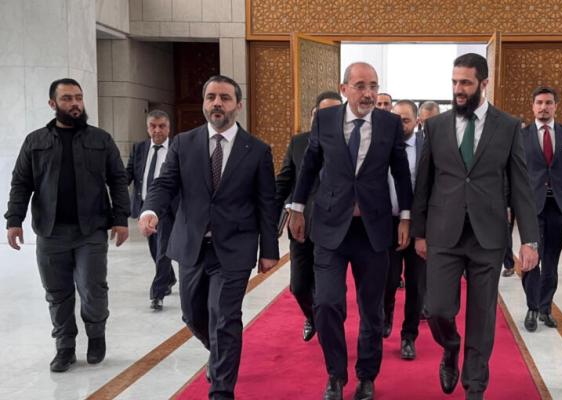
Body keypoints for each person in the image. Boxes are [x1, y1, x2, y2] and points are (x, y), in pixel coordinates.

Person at [138, 75, 279, 400]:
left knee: (225, 316)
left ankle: (221, 390)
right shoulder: (183, 143)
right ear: (204, 103)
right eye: (211, 97)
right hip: (192, 245)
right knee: (193, 314)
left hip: (234, 248)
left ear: (238, 105)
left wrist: (269, 250)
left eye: (225, 98)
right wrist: (151, 210)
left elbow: (266, 203)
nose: (217, 103)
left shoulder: (257, 150)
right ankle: (219, 353)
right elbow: (165, 184)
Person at [411, 53, 539, 400]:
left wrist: (529, 240)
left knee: (482, 317)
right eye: (454, 82)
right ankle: (450, 346)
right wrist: (419, 232)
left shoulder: (508, 126)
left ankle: (475, 386)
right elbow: (424, 183)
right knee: (438, 309)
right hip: (444, 233)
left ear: (484, 83)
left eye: (465, 83)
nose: (458, 89)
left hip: (488, 236)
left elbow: (522, 186)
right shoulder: (436, 127)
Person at [289, 62, 412, 400]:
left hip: (373, 231)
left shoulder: (389, 124)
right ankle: (336, 374)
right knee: (327, 304)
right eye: (360, 86)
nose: (368, 93)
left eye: (373, 86)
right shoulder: (325, 119)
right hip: (330, 227)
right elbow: (310, 165)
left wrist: (405, 217)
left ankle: (367, 376)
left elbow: (401, 172)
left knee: (372, 310)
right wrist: (296, 208)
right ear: (344, 89)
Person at [5, 78, 130, 372]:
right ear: (53, 104)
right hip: (50, 232)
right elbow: (21, 183)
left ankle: (96, 337)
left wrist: (121, 218)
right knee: (57, 292)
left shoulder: (101, 139)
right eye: (67, 99)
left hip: (91, 230)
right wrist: (14, 220)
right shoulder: (35, 141)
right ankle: (65, 347)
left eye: (78, 98)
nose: (75, 104)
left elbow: (118, 179)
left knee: (92, 288)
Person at [275, 91, 343, 341]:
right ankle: (313, 317)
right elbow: (284, 180)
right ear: (314, 115)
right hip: (301, 226)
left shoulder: (351, 143)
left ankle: (330, 327)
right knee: (299, 286)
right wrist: (271, 214)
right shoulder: (299, 142)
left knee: (331, 291)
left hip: (337, 228)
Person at [520, 86, 562, 332]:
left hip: (559, 207)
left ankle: (545, 308)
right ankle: (532, 307)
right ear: (533, 106)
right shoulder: (520, 136)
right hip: (531, 207)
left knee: (551, 261)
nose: (544, 107)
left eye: (548, 103)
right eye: (539, 103)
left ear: (556, 106)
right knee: (532, 258)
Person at [382, 100, 426, 360]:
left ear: (417, 122)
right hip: (387, 223)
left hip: (419, 227)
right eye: (396, 119)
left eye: (406, 120)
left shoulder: (427, 149)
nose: (400, 125)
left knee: (416, 285)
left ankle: (409, 335)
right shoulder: (381, 145)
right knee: (388, 279)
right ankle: (386, 312)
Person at [126, 110, 177, 310]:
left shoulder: (177, 148)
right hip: (145, 209)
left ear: (169, 128)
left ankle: (157, 294)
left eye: (162, 126)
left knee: (163, 250)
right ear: (147, 128)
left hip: (168, 209)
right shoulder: (139, 148)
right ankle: (169, 278)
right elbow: (129, 174)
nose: (157, 130)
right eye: (153, 126)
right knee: (155, 249)